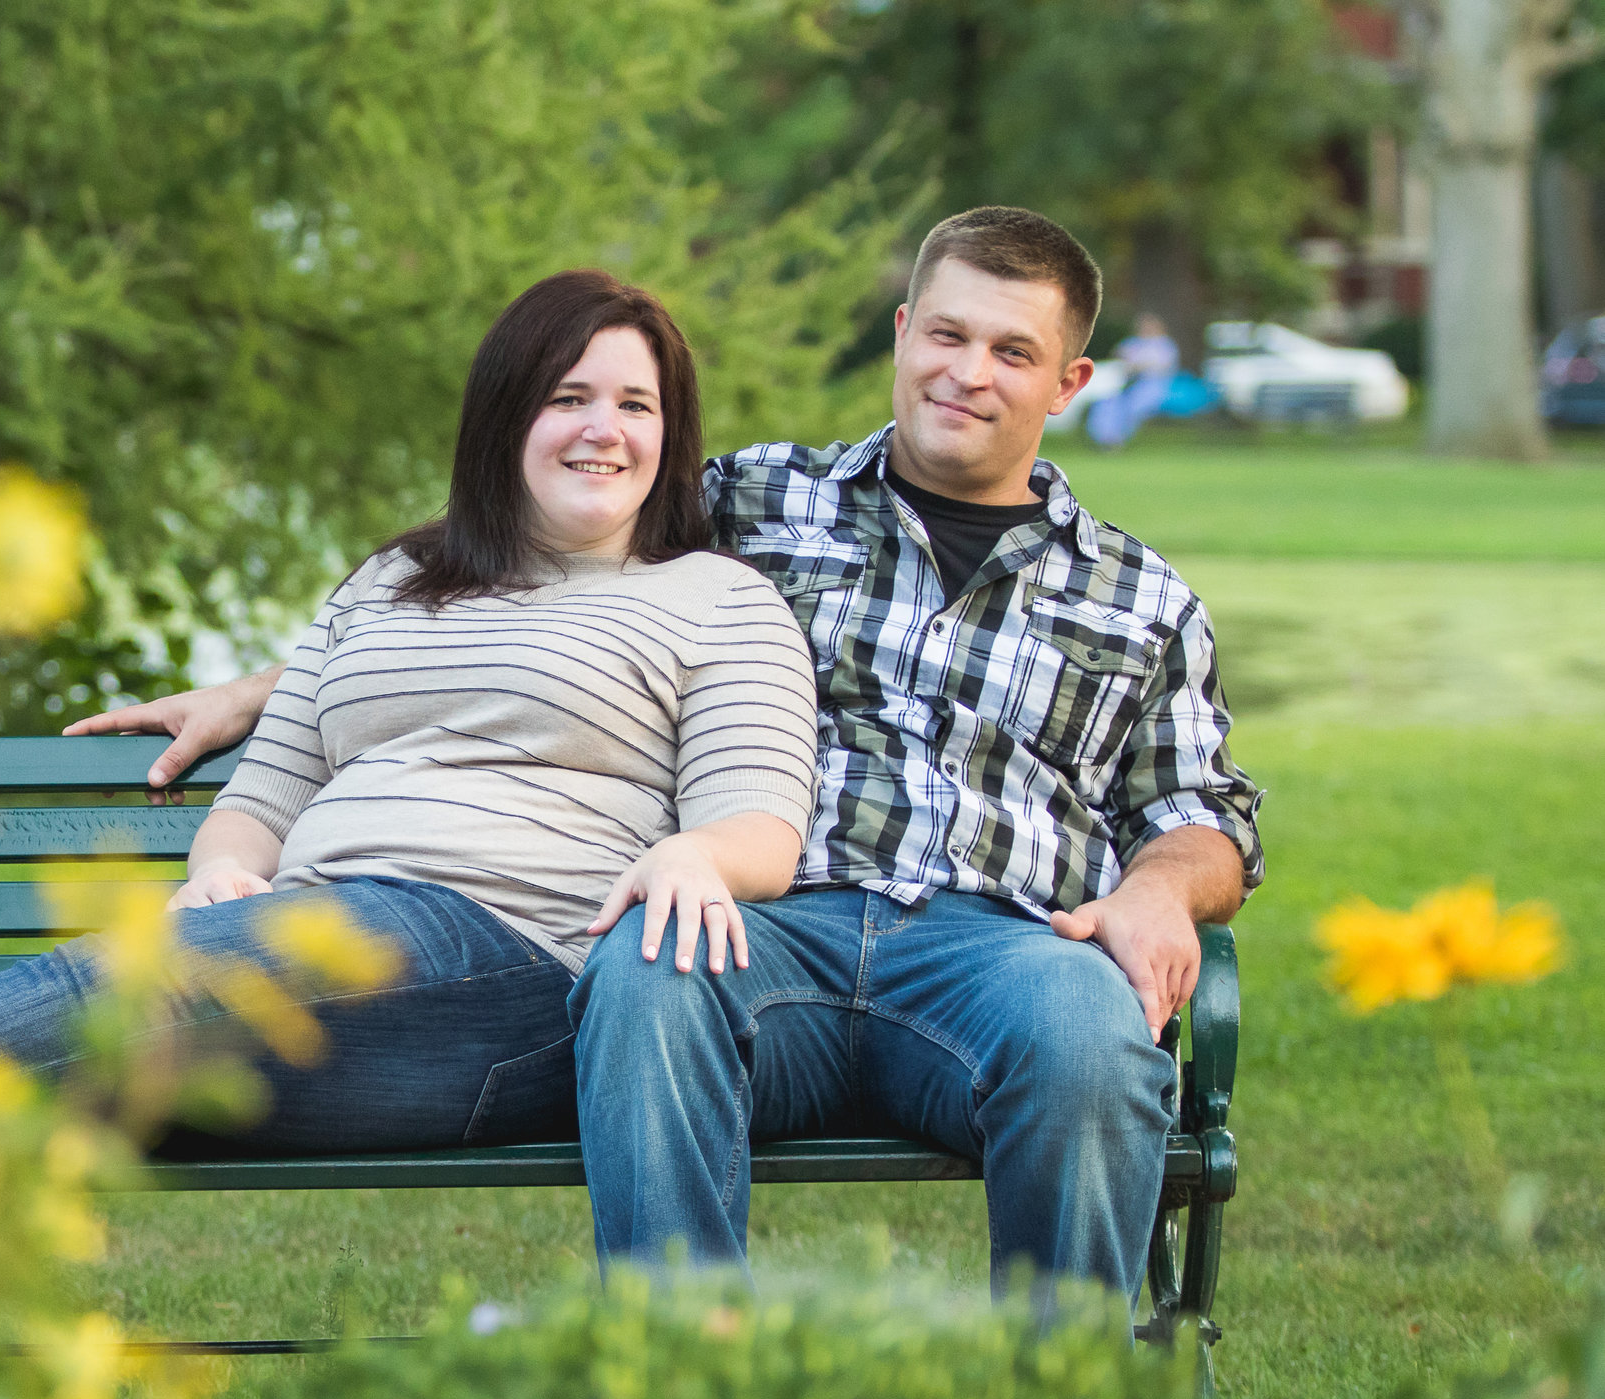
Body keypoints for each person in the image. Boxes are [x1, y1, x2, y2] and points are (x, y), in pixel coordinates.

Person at [70, 208, 1263, 1302]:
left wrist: (1160, 891)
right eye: (945, 333)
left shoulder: (1137, 596)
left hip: (993, 951)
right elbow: (532, 584)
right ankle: (684, 1395)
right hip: (759, 921)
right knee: (646, 969)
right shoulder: (750, 499)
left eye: (1011, 351)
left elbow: (1205, 808)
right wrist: (273, 685)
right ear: (901, 334)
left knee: (1088, 1028)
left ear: (1071, 380)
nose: (967, 371)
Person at [0, 270, 821, 1149]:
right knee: (111, 1047)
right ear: (508, 414)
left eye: (636, 405)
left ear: (670, 430)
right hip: (318, 963)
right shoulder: (394, 580)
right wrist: (222, 867)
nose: (605, 429)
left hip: (519, 972)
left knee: (158, 991)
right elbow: (270, 789)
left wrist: (699, 857)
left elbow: (760, 827)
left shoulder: (715, 598)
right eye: (569, 396)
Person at [1085, 312, 1180, 447]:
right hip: (1125, 385)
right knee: (1107, 403)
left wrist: (1138, 366)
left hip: (1152, 387)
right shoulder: (1132, 343)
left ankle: (1118, 439)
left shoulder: (1164, 345)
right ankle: (1103, 437)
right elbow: (1119, 357)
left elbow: (1162, 367)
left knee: (1133, 406)